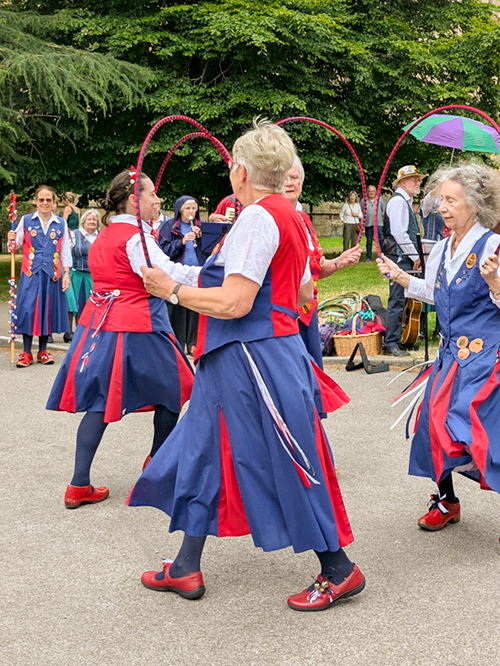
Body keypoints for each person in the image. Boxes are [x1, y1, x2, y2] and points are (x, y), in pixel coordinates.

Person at [129, 119, 365, 612]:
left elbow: (235, 301)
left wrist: (170, 290)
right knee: (202, 452)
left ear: (241, 171)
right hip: (244, 357)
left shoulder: (260, 218)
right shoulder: (283, 215)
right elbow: (251, 282)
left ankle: (339, 568)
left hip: (253, 358)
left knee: (285, 456)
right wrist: (167, 270)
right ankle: (186, 564)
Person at [46, 169, 201, 509]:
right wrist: (214, 273)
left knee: (102, 401)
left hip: (100, 324)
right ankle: (156, 467)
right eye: (151, 194)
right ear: (135, 200)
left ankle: (78, 484)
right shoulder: (136, 237)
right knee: (175, 388)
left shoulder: (104, 235)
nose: (157, 200)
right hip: (139, 324)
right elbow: (166, 273)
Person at [377, 162, 500, 531]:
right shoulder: (443, 247)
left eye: (452, 200)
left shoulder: (492, 244)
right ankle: (446, 501)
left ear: (475, 205)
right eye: (441, 200)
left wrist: (495, 281)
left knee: (477, 433)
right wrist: (402, 278)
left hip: (484, 358)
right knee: (433, 427)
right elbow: (436, 294)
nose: (442, 208)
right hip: (449, 357)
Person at [283, 156, 361, 367]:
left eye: (294, 177)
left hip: (308, 314)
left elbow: (315, 270)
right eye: (284, 177)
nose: (289, 183)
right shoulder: (272, 218)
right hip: (285, 317)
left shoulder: (304, 220)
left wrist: (339, 262)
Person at [8, 185, 71, 367]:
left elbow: (65, 250)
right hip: (31, 274)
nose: (44, 203)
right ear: (36, 202)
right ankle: (26, 352)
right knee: (28, 310)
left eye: (48, 200)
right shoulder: (26, 220)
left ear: (54, 203)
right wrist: (11, 238)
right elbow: (16, 244)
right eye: (41, 200)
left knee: (46, 310)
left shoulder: (61, 223)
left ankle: (43, 350)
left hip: (52, 274)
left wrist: (66, 273)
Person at [381, 165, 426, 356]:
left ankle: (400, 339)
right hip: (398, 257)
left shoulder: (404, 201)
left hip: (402, 256)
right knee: (398, 298)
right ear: (403, 182)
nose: (418, 183)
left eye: (419, 179)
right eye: (414, 180)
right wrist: (416, 257)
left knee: (405, 298)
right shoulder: (399, 202)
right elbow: (399, 233)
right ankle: (390, 343)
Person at [159, 196, 206, 355]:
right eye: (188, 208)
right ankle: (177, 345)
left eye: (194, 208)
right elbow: (164, 251)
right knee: (176, 307)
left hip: (196, 274)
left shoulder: (201, 228)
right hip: (176, 274)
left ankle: (193, 345)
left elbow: (209, 252)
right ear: (180, 210)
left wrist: (202, 239)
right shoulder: (169, 226)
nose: (192, 212)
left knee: (195, 309)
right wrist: (183, 241)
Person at [64, 209, 101, 342]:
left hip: (94, 275)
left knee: (90, 303)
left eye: (94, 220)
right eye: (89, 219)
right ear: (83, 221)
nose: (92, 222)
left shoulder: (101, 237)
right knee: (74, 302)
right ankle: (69, 332)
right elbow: (66, 253)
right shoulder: (74, 235)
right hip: (77, 273)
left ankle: (87, 330)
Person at [361, 185, 386, 262]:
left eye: (373, 191)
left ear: (375, 192)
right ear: (367, 192)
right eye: (370, 191)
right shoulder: (363, 201)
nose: (371, 193)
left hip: (379, 224)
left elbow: (384, 211)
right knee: (369, 241)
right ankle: (369, 257)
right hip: (368, 224)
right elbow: (361, 213)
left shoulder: (380, 200)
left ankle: (382, 256)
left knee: (381, 240)